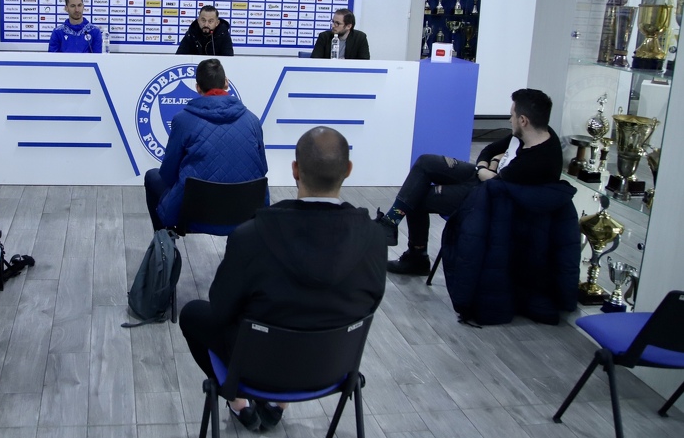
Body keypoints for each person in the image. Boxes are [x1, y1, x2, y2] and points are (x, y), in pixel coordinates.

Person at [179, 127, 387, 432]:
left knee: (193, 314)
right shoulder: (375, 237)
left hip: (255, 368)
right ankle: (278, 406)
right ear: (349, 170)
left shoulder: (251, 235)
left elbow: (221, 308)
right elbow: (371, 302)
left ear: (295, 170)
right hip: (332, 368)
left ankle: (238, 400)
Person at [378, 88, 564, 275]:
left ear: (523, 120)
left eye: (512, 115)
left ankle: (416, 258)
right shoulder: (531, 132)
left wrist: (488, 169)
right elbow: (489, 150)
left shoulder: (536, 163)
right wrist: (489, 165)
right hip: (485, 178)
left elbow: (496, 185)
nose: (509, 120)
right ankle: (390, 223)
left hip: (490, 199)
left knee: (418, 196)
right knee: (426, 162)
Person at [144, 58, 267, 232]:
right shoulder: (253, 120)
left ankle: (164, 248)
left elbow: (168, 173)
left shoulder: (182, 120)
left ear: (198, 88)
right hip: (247, 213)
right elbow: (262, 168)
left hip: (194, 215)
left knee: (152, 176)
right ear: (226, 83)